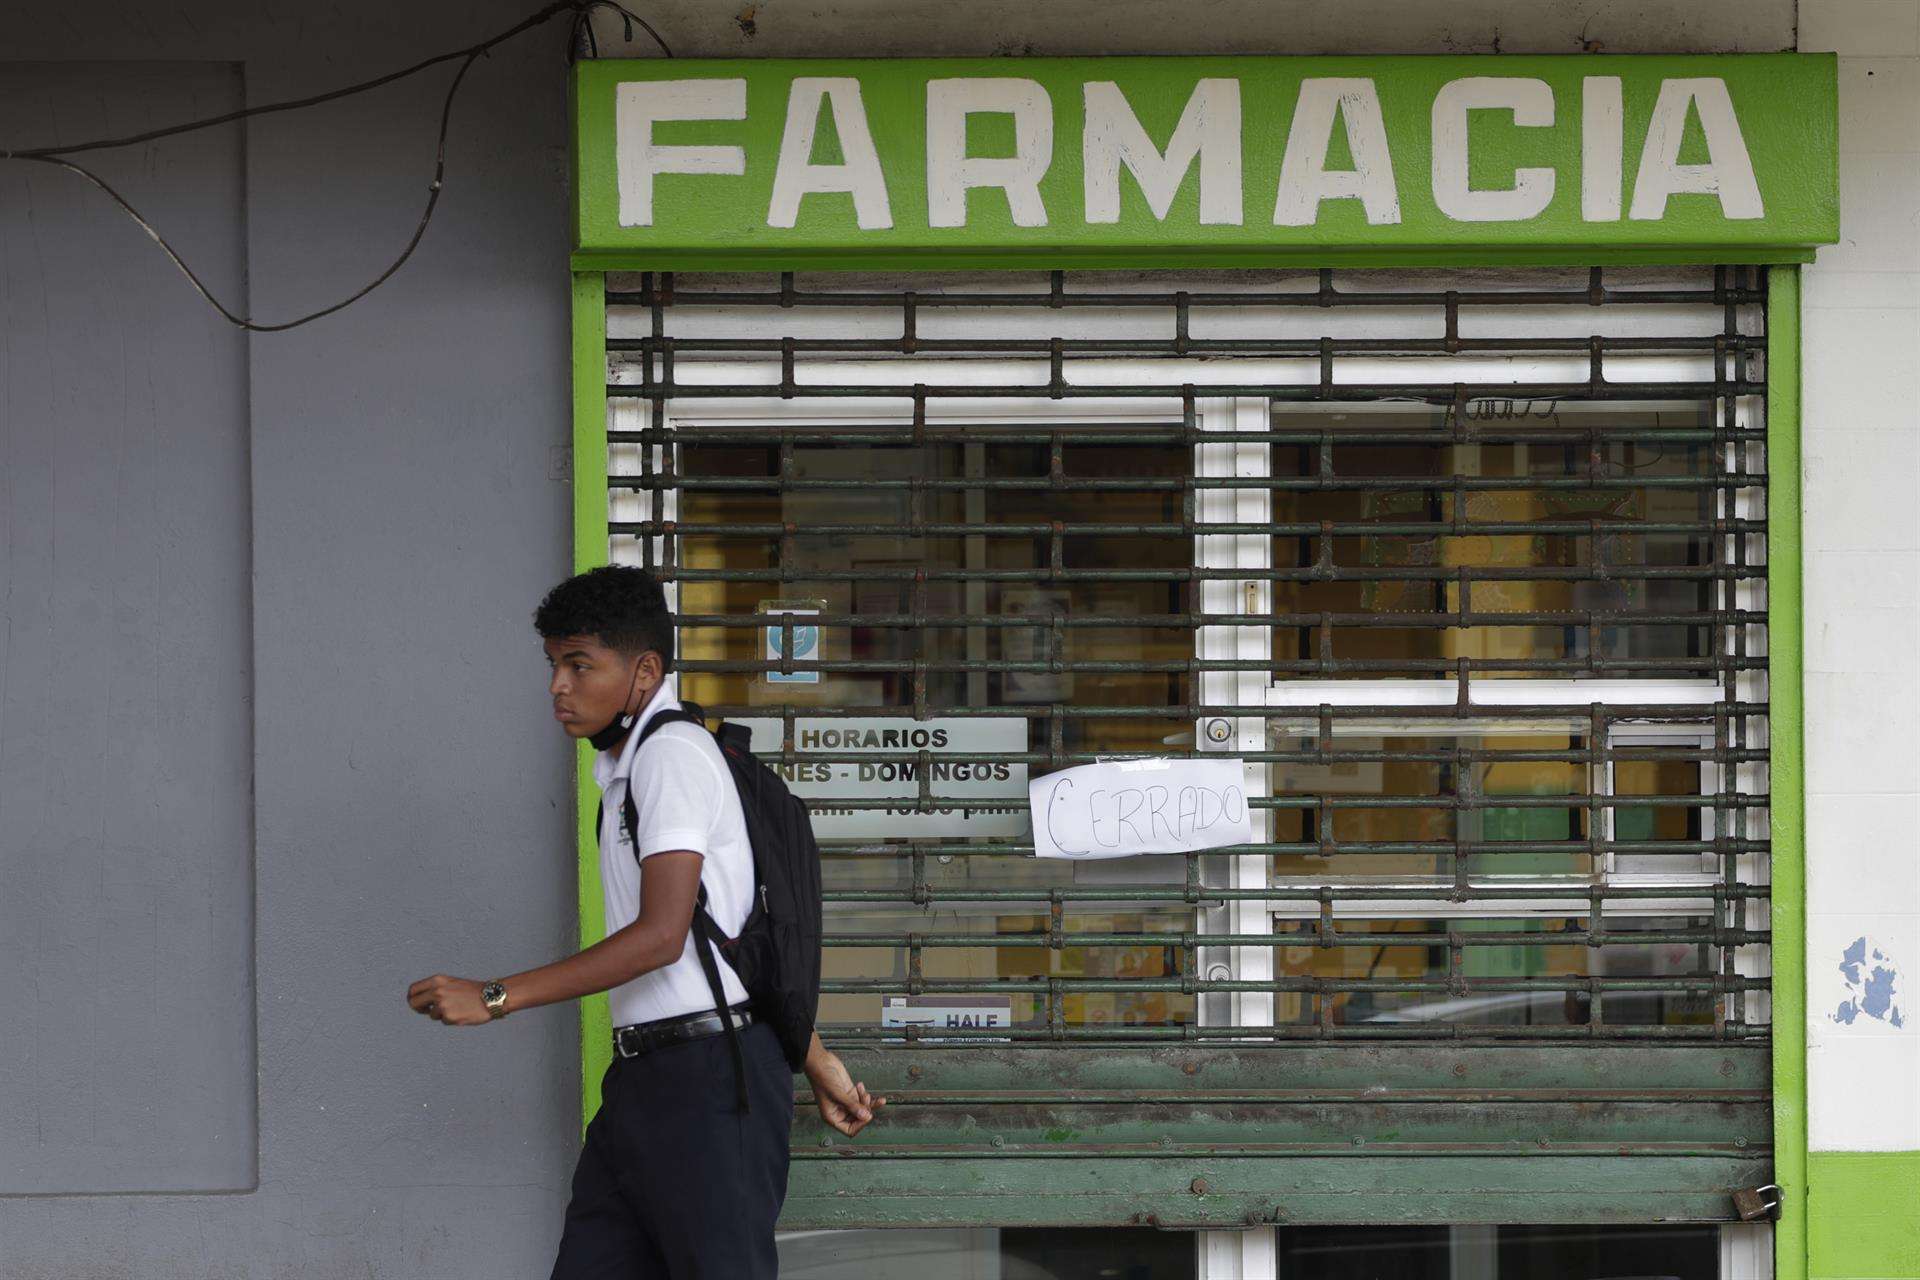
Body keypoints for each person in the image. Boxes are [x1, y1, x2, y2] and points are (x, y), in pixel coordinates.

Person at [405, 565, 882, 1278]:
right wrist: (814, 1058)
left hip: (711, 1085)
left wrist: (498, 996)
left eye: (578, 664)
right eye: (553, 664)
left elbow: (662, 938)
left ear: (644, 671)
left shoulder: (672, 756)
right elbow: (732, 937)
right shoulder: (629, 769)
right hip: (648, 1082)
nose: (557, 686)